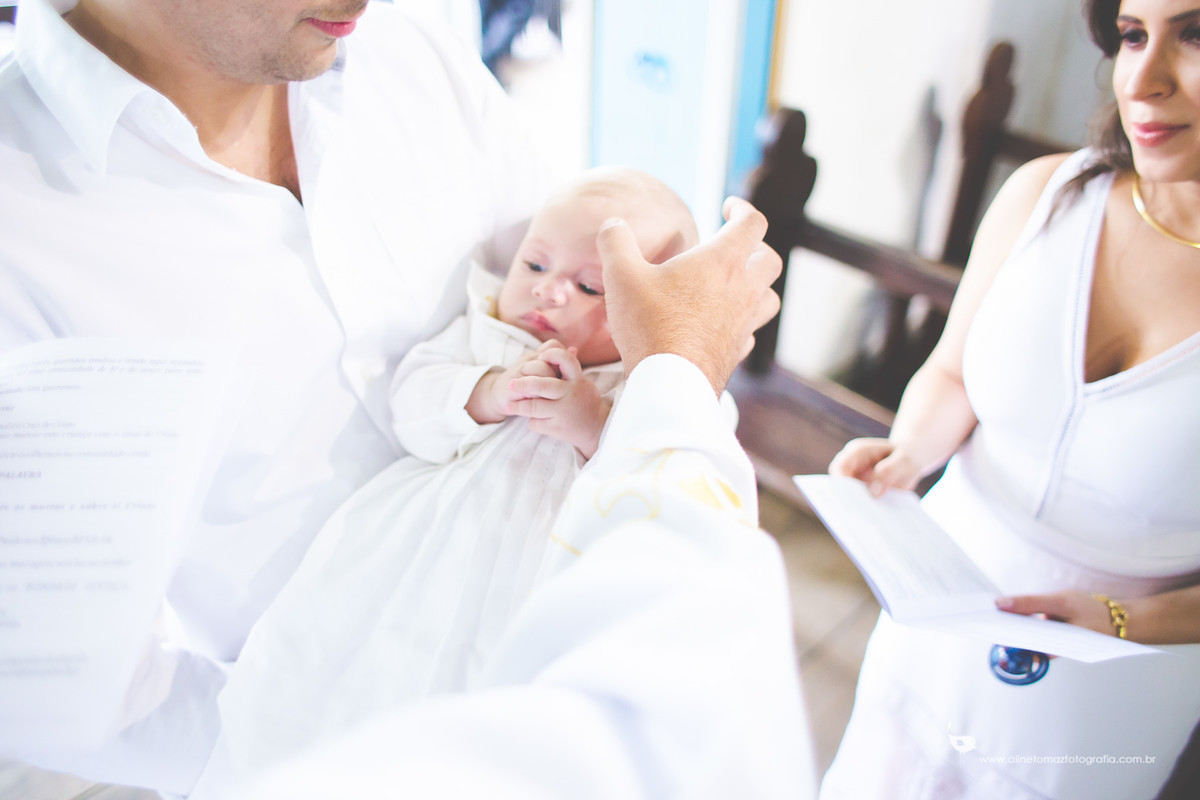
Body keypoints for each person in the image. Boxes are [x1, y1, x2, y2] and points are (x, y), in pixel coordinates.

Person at [0, 0, 814, 796]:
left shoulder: (414, 54)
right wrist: (294, 741)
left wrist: (674, 369)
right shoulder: (21, 227)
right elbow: (55, 676)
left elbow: (589, 318)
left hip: (542, 647)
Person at [193, 167, 730, 790]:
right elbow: (412, 404)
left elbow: (657, 484)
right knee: (349, 671)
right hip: (420, 553)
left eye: (590, 285)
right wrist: (490, 390)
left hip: (536, 578)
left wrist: (593, 426)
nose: (548, 292)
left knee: (488, 723)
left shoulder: (654, 386)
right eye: (534, 264)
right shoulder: (486, 335)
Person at [820, 1, 1200, 798]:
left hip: (1112, 676)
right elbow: (954, 373)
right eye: (1133, 35)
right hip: (945, 602)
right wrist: (911, 451)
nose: (1143, 77)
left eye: (1194, 35)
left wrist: (1120, 621)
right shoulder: (1046, 194)